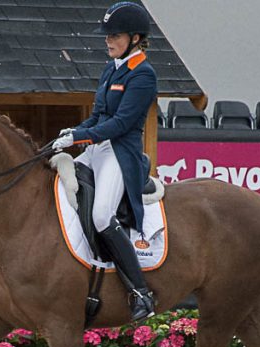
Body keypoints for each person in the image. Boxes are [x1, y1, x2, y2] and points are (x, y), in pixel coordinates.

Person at [52, 2, 157, 322]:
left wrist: (80, 138)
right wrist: (74, 132)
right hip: (97, 148)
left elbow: (121, 123)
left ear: (135, 38)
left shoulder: (143, 74)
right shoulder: (111, 68)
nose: (108, 40)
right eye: (107, 35)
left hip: (119, 153)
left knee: (100, 216)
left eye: (115, 35)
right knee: (56, 184)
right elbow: (98, 116)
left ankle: (141, 292)